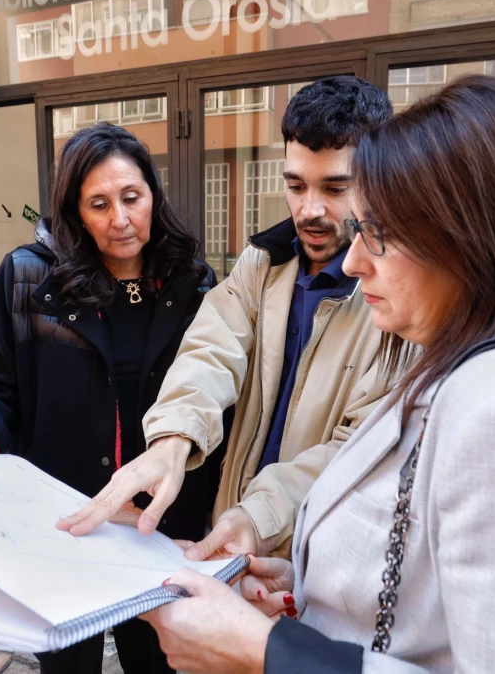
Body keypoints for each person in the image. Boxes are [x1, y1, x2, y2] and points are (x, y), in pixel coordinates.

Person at [139, 74, 495, 673]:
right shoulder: (448, 352)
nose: (351, 257)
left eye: (379, 231)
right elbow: (417, 586)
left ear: (468, 235)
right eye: (294, 185)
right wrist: (310, 592)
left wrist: (264, 650)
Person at [0, 122, 219, 674]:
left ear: (153, 193)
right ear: (75, 212)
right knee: (66, 664)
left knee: (160, 661)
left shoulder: (195, 283)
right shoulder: (29, 278)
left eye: (132, 197)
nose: (121, 219)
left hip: (159, 524)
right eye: (99, 204)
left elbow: (216, 394)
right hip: (63, 524)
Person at [58, 77, 396, 561]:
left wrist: (258, 516)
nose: (310, 210)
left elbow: (359, 447)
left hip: (320, 552)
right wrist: (173, 440)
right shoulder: (263, 263)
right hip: (235, 534)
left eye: (335, 187)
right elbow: (211, 352)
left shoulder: (393, 297)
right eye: (296, 186)